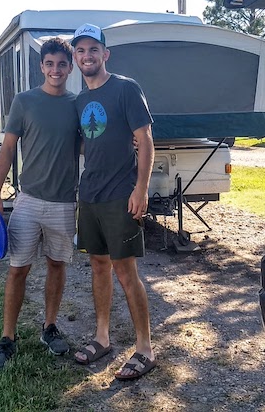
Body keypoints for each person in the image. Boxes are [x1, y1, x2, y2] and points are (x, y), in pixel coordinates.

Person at [0, 37, 80, 371]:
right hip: (27, 200)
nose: (56, 70)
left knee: (57, 265)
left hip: (64, 203)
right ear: (41, 66)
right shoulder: (24, 102)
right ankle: (7, 339)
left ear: (70, 68)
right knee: (18, 269)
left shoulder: (78, 105)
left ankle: (49, 327)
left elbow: (88, 147)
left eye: (62, 64)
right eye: (50, 64)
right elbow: (8, 149)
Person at [71, 23, 157, 380]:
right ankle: (102, 337)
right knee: (98, 266)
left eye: (93, 49)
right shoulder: (78, 101)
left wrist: (141, 188)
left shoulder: (125, 89)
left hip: (121, 194)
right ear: (75, 57)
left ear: (105, 54)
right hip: (89, 194)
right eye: (80, 51)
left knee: (126, 272)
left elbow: (146, 139)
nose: (86, 56)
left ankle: (145, 349)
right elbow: (83, 143)